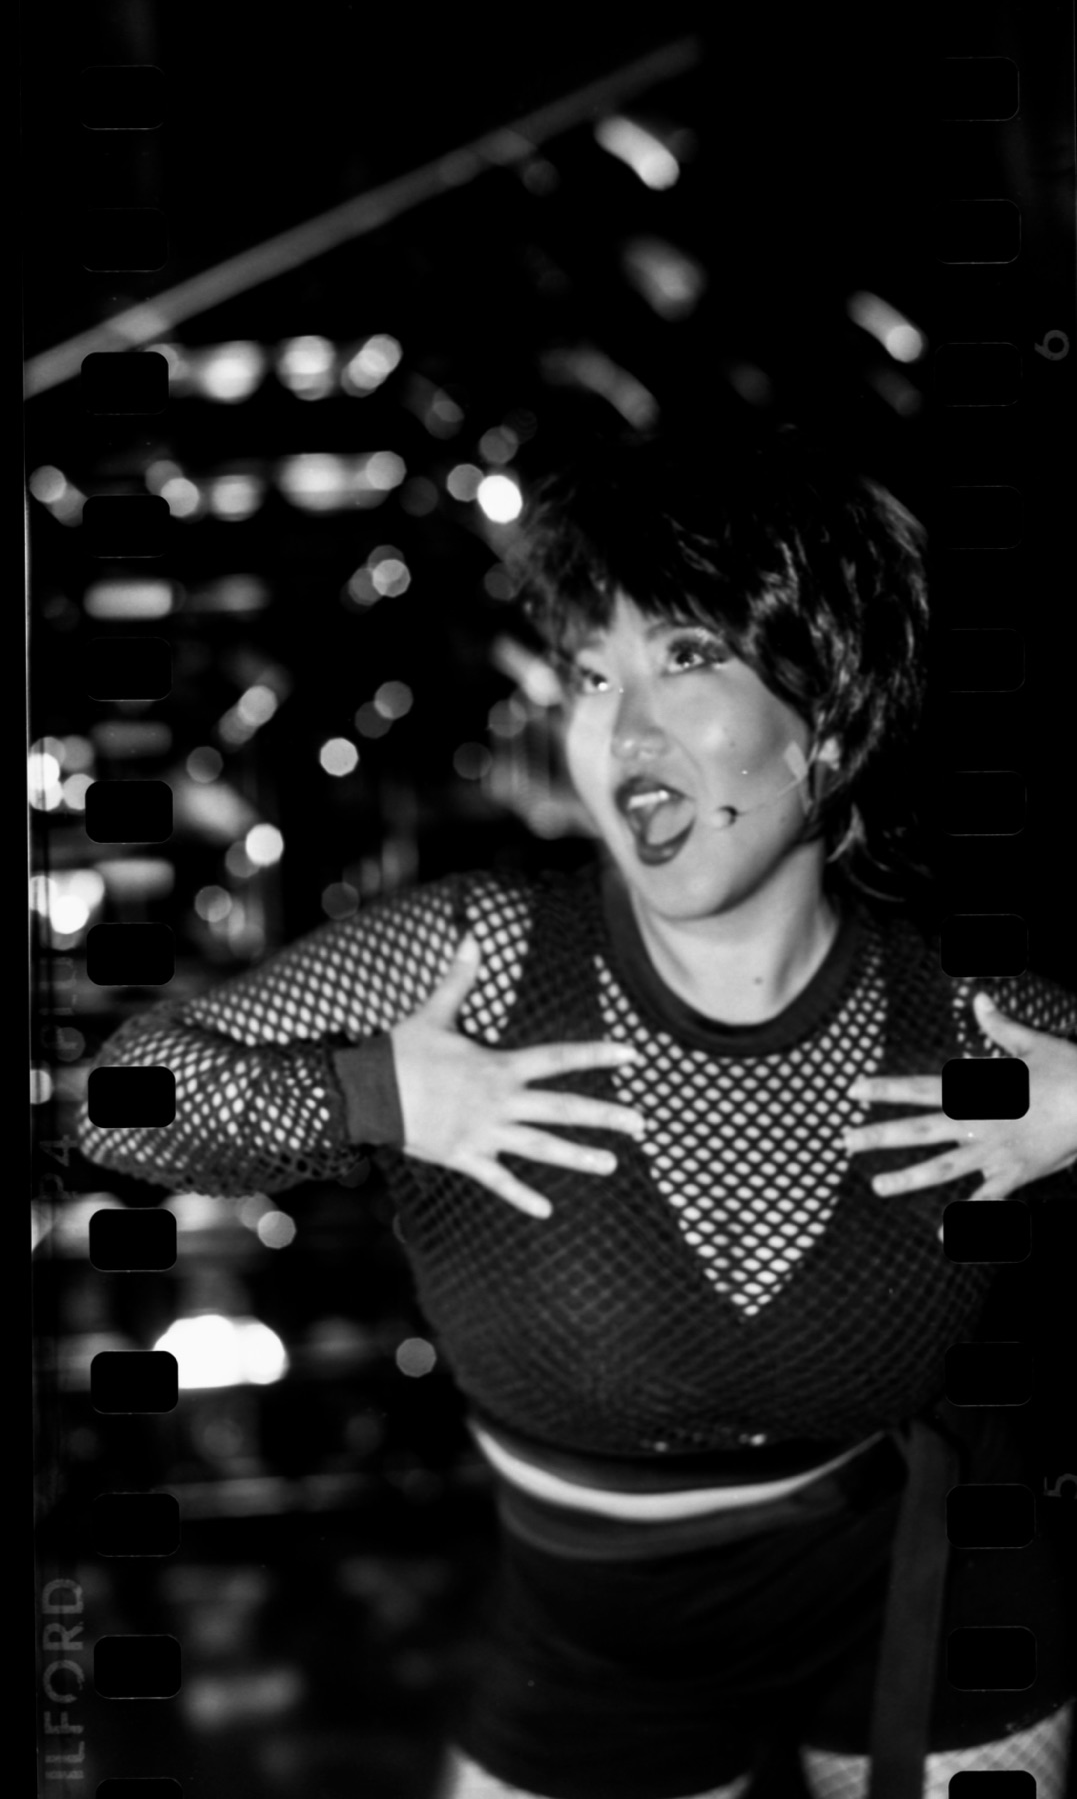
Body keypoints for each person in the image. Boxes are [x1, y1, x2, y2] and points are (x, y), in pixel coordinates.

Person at [76, 437, 1077, 1799]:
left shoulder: (970, 1017)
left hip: (919, 1595)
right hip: (594, 1653)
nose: (621, 728)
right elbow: (121, 1103)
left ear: (832, 722)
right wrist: (372, 1091)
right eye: (595, 675)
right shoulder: (480, 964)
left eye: (685, 657)